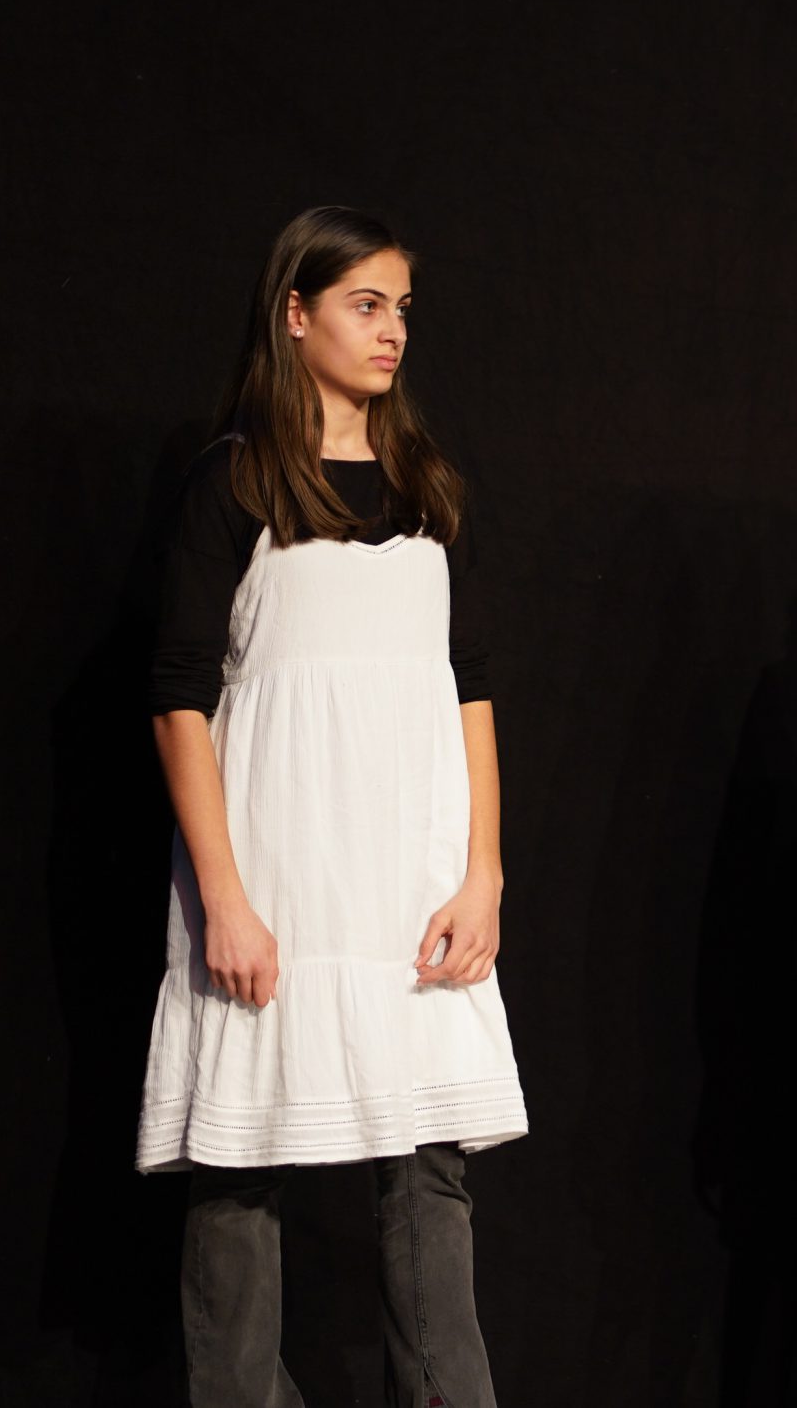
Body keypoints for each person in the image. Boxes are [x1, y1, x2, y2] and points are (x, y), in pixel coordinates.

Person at [139, 205, 526, 1407]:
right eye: (366, 304)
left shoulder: (427, 487)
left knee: (429, 1166)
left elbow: (468, 687)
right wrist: (224, 897)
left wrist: (483, 871)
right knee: (240, 1162)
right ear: (295, 314)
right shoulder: (235, 482)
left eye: (402, 307)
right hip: (277, 875)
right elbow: (178, 698)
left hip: (409, 878)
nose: (392, 329)